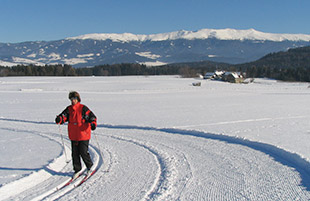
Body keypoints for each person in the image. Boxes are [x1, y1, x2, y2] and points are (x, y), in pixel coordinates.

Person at [55, 91, 97, 178]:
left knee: (83, 152)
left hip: (83, 134)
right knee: (75, 153)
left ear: (78, 99)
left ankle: (89, 166)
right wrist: (59, 119)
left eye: (74, 99)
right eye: (71, 99)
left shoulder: (83, 108)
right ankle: (77, 169)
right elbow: (64, 116)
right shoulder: (69, 109)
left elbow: (92, 117)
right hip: (73, 135)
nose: (73, 101)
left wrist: (93, 123)